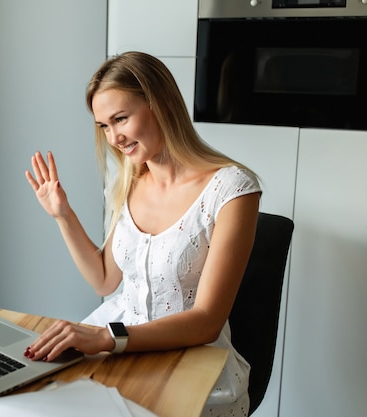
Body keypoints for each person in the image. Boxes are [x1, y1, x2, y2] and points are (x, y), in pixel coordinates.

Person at [24, 51, 260, 417]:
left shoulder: (231, 190)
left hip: (190, 368)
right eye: (103, 125)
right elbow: (104, 280)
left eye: (121, 119)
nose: (114, 137)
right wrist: (63, 215)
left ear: (161, 104)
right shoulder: (127, 181)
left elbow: (207, 321)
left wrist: (107, 337)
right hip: (120, 354)